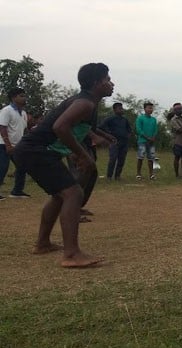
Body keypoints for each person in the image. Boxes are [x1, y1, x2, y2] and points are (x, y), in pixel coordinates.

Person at [13, 63, 114, 267]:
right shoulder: (84, 103)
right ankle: (71, 255)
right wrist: (81, 154)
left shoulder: (87, 103)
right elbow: (60, 127)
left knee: (61, 195)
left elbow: (73, 129)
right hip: (35, 150)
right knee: (73, 193)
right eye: (107, 80)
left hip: (36, 150)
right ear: (96, 83)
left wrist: (78, 151)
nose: (112, 83)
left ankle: (42, 244)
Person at [0, 87, 30, 199]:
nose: (24, 98)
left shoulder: (23, 113)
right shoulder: (7, 110)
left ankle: (17, 191)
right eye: (21, 96)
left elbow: (25, 130)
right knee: (2, 168)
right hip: (3, 145)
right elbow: (2, 127)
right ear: (13, 98)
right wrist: (8, 144)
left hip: (18, 146)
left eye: (24, 95)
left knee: (22, 166)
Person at [98, 102, 132, 181]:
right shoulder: (110, 119)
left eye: (122, 108)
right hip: (114, 142)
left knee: (121, 159)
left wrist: (128, 135)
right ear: (114, 110)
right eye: (119, 108)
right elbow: (100, 127)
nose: (121, 110)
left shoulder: (125, 120)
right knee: (113, 159)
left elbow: (129, 129)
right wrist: (108, 134)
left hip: (124, 142)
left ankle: (117, 176)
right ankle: (109, 176)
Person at [135, 102, 158, 181]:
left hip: (151, 142)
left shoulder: (154, 119)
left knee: (151, 158)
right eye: (149, 108)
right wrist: (147, 138)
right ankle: (138, 174)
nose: (150, 109)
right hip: (142, 141)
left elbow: (155, 130)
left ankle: (151, 174)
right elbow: (138, 130)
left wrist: (153, 137)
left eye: (151, 108)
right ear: (144, 109)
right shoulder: (140, 118)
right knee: (140, 157)